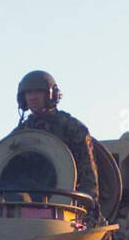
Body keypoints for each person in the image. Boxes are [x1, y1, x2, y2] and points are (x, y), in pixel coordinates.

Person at [13, 70, 99, 211]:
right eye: (28, 93)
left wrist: (88, 207)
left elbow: (87, 174)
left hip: (65, 205)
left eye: (38, 92)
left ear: (51, 95)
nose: (33, 97)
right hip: (29, 207)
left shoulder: (71, 128)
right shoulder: (21, 134)